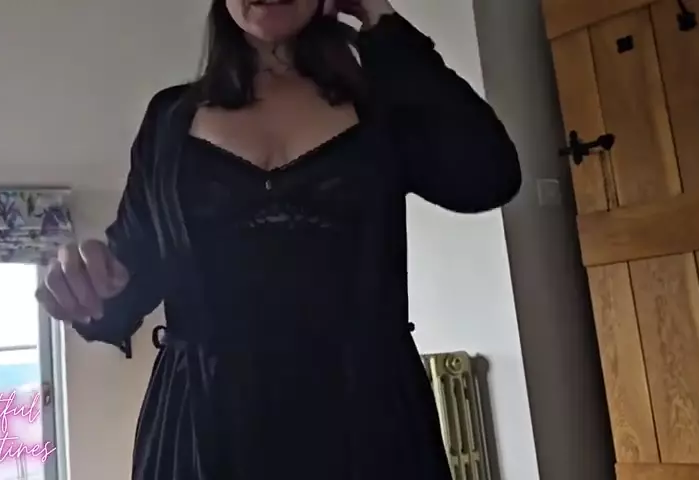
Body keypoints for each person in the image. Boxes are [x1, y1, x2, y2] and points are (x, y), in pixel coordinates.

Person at [35, 0, 521, 478]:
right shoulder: (169, 118)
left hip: (368, 421)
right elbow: (128, 284)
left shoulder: (379, 106)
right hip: (205, 430)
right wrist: (86, 285)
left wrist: (379, 15)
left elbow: (487, 176)